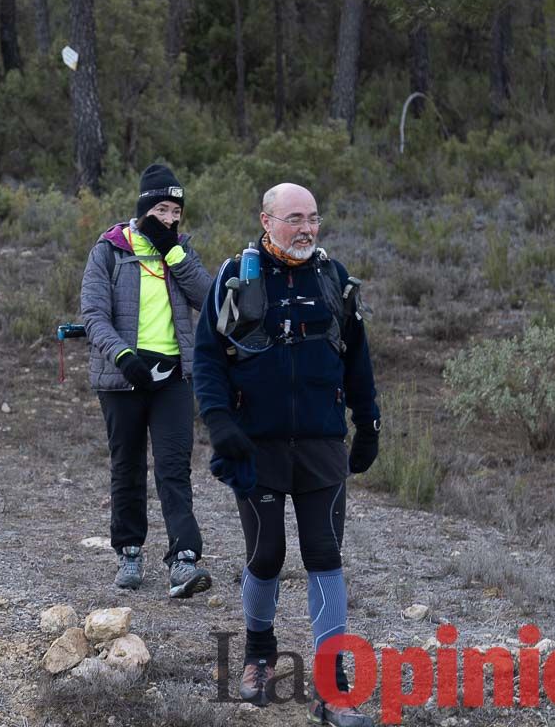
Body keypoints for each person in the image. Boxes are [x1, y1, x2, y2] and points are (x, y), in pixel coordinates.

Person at [193, 183, 381, 727]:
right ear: (266, 220)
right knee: (267, 553)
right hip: (257, 445)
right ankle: (258, 652)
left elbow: (358, 359)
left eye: (314, 218)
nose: (306, 228)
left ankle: (333, 688)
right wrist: (221, 422)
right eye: (294, 218)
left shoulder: (332, 278)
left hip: (322, 444)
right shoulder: (236, 278)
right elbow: (207, 358)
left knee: (325, 555)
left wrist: (368, 424)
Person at [80, 164, 215, 599]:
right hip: (123, 375)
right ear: (143, 208)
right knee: (127, 466)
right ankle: (130, 551)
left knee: (174, 467)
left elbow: (208, 299)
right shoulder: (109, 249)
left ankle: (184, 559)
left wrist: (172, 250)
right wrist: (122, 355)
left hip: (173, 376)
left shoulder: (179, 249)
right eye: (161, 208)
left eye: (177, 210)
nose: (170, 218)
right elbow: (93, 314)